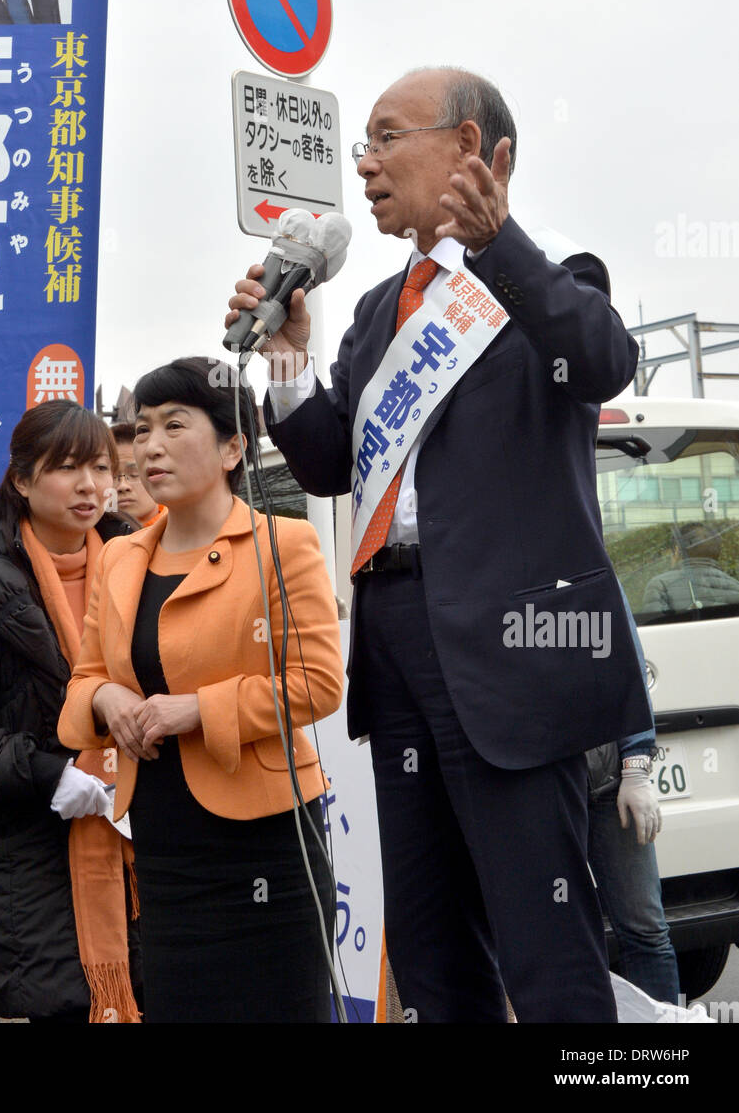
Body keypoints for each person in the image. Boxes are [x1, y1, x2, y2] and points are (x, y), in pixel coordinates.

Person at [226, 66, 653, 1023]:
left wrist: (499, 244)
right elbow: (333, 463)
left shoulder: (552, 281)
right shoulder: (378, 312)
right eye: (361, 146)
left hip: (508, 650)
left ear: (472, 150)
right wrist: (289, 362)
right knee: (426, 941)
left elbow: (600, 357)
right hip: (395, 640)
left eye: (386, 138)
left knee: (545, 942)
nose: (364, 164)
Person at [59, 357, 344, 1023]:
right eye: (143, 429)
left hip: (269, 846)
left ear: (231, 447)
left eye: (173, 426)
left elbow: (318, 683)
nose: (149, 446)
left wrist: (198, 709)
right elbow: (84, 680)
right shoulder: (121, 557)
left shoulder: (285, 543)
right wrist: (108, 702)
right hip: (161, 849)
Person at [0, 400, 139, 1022]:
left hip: (146, 853)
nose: (91, 485)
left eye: (100, 466)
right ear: (22, 480)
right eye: (67, 468)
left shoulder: (141, 560)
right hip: (32, 867)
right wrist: (51, 776)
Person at [586, 591, 679, 1004]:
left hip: (607, 782)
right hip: (539, 789)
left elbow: (626, 660)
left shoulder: (580, 549)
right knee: (562, 936)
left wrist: (637, 764)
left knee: (645, 930)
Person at [642, 522, 739, 617]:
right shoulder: (735, 586)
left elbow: (656, 627)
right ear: (717, 553)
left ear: (677, 550)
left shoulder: (660, 586)